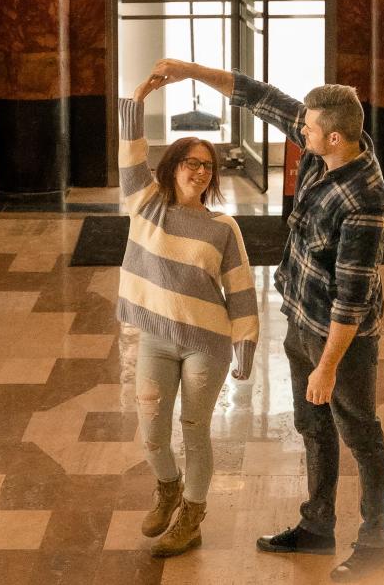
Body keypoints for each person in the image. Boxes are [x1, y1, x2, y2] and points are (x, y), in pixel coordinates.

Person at [145, 59, 384, 581]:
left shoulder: (366, 203)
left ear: (332, 136)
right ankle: (317, 527)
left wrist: (327, 368)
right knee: (312, 426)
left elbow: (351, 302)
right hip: (301, 319)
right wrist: (187, 71)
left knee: (361, 434)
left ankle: (374, 543)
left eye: (306, 129)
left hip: (340, 342)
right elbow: (257, 95)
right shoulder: (323, 145)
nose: (298, 132)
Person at [118, 73, 259, 558]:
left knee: (195, 429)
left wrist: (245, 345)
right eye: (191, 163)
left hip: (206, 342)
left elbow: (240, 291)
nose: (200, 172)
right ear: (173, 165)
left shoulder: (223, 227)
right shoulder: (145, 204)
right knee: (152, 430)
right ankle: (168, 488)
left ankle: (192, 518)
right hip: (157, 337)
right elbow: (131, 156)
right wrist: (137, 100)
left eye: (208, 167)